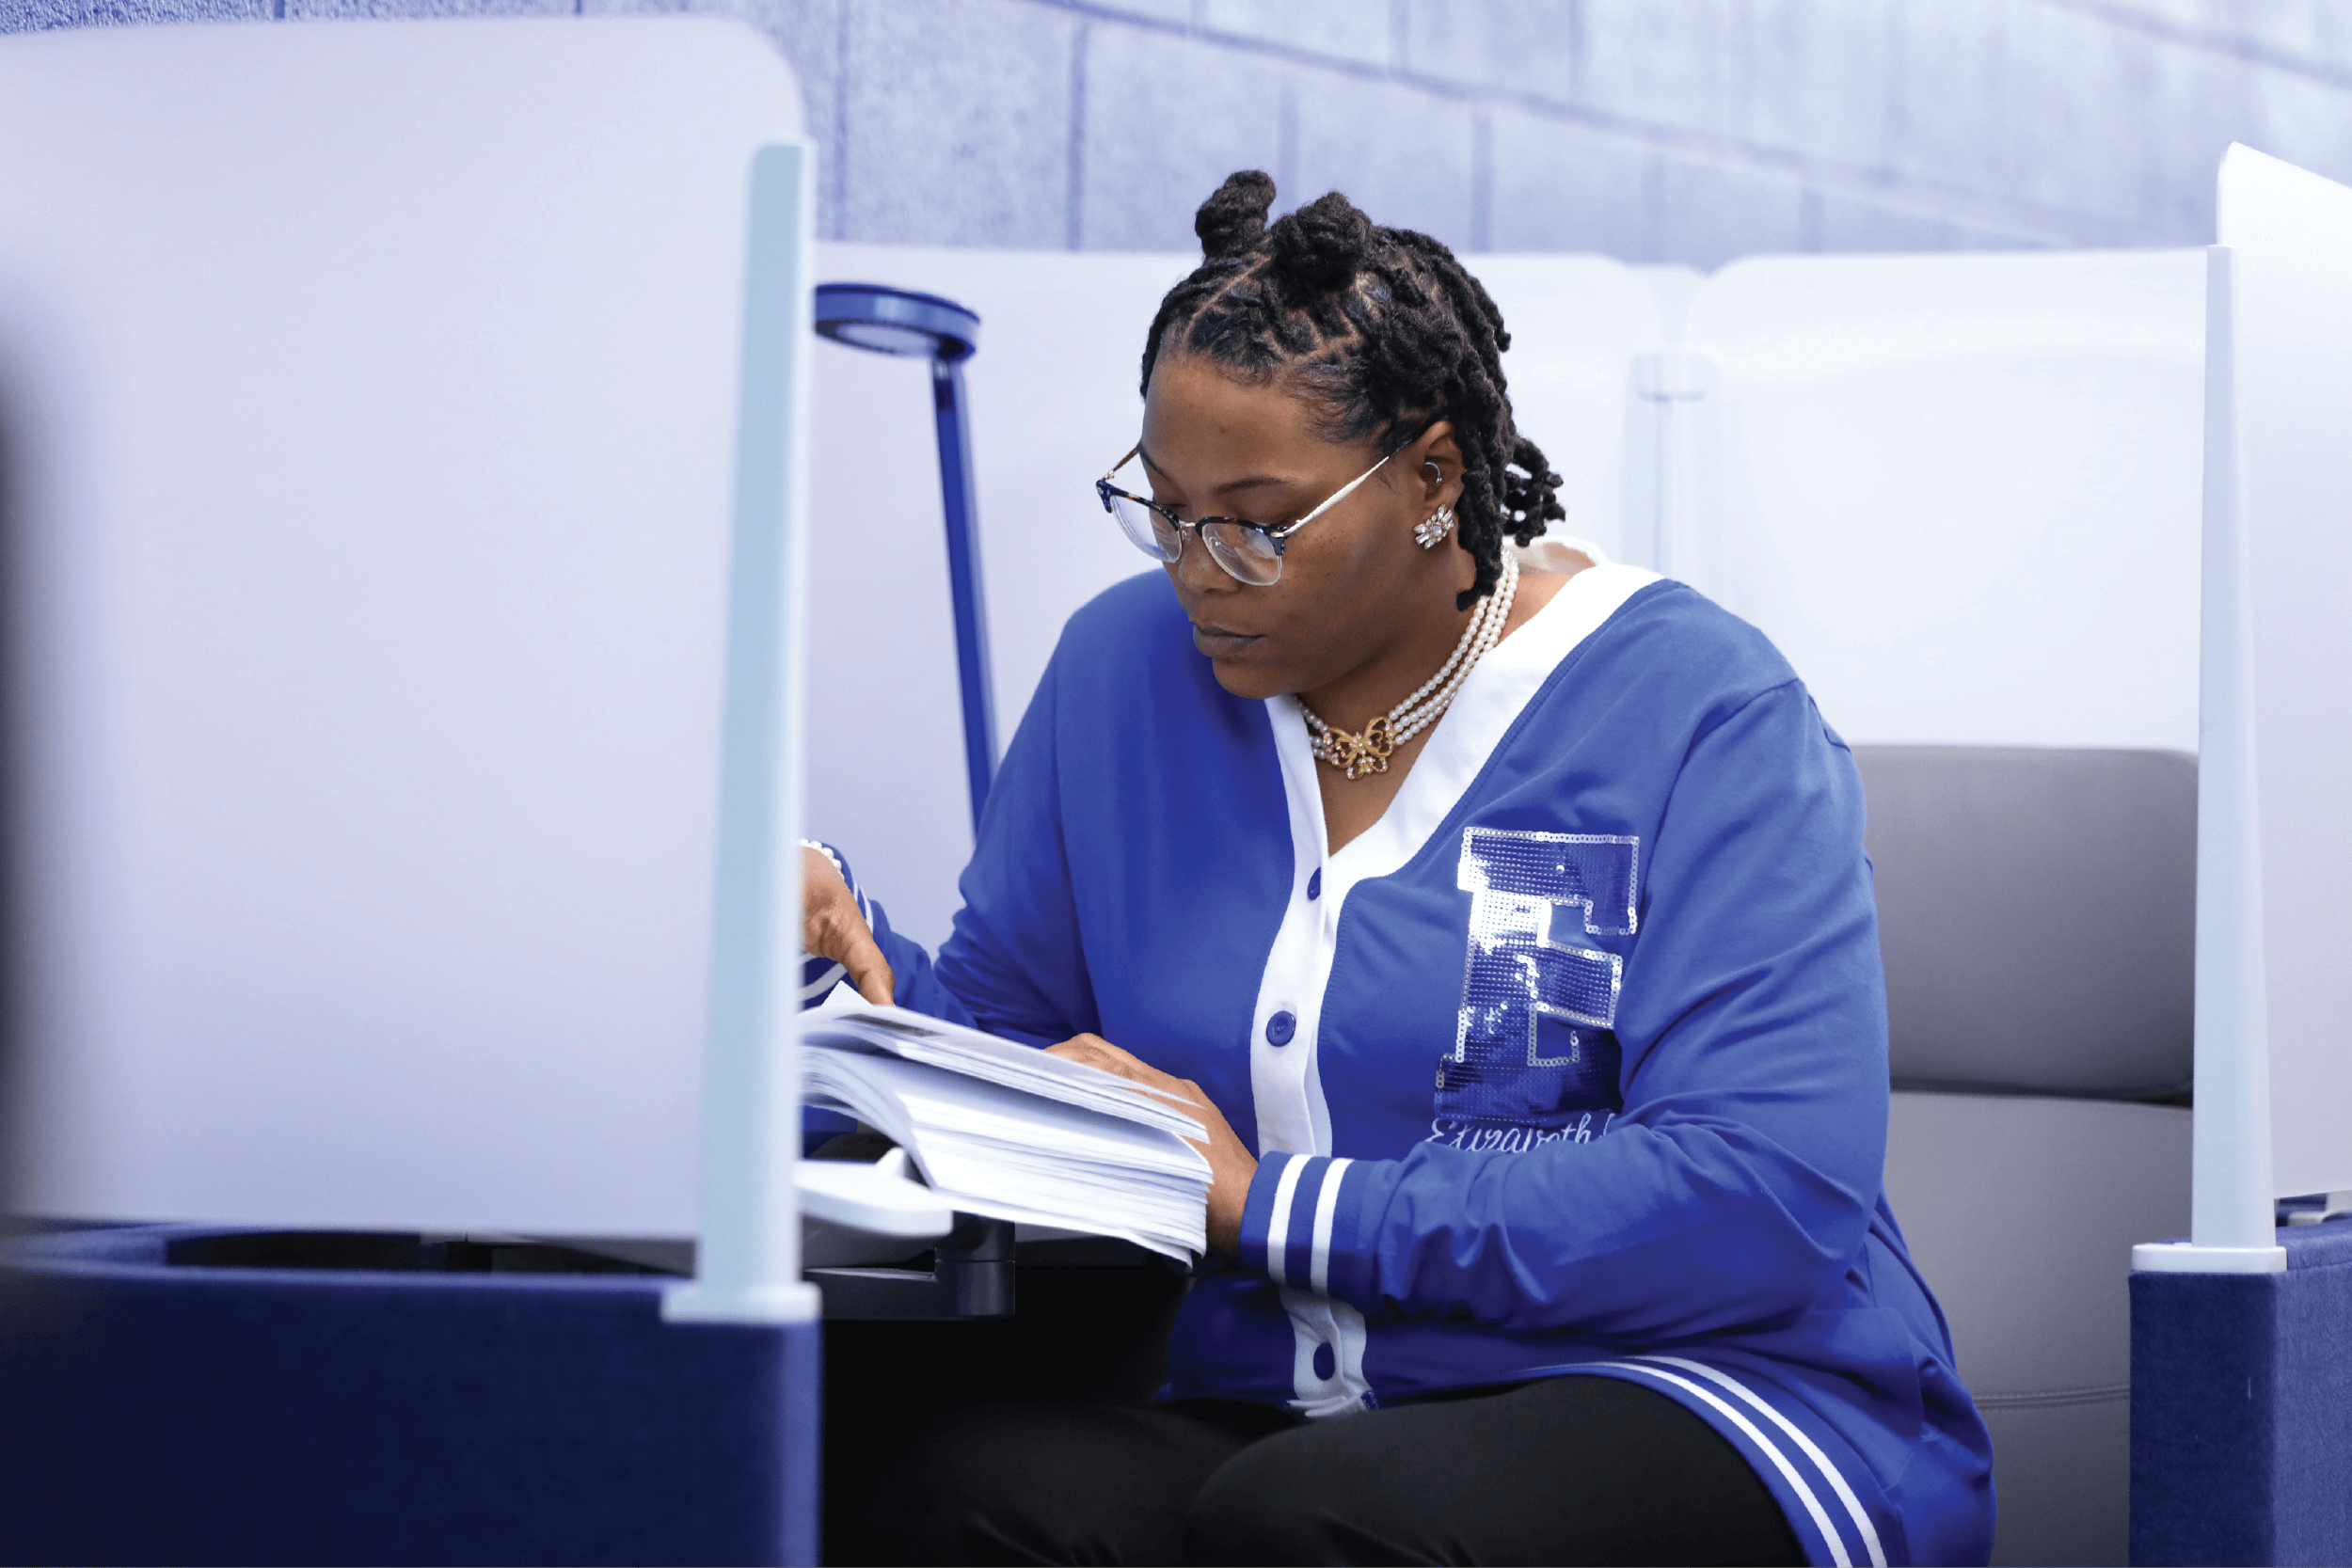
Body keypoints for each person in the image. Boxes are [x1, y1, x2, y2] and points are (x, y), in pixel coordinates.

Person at [803, 170, 1994, 1568]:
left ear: (1432, 477)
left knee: (1318, 1523)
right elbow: (1022, 1041)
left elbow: (1761, 1191)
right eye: (1165, 507)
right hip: (1278, 1398)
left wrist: (1275, 1206)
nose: (1199, 567)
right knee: (951, 1486)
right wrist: (847, 967)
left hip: (1711, 1391)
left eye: (1258, 520)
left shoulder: (1699, 709)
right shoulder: (1117, 675)